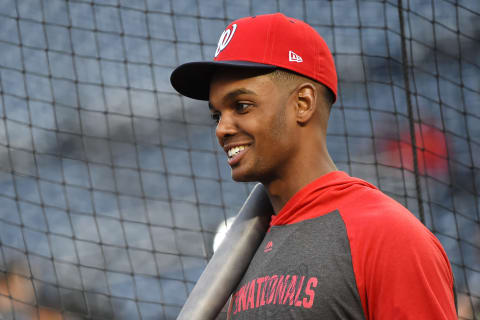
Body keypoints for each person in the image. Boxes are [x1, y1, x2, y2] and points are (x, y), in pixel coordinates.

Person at [170, 13, 457, 319]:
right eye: (217, 115)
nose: (222, 129)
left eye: (242, 106)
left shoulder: (386, 235)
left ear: (303, 104)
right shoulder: (235, 255)